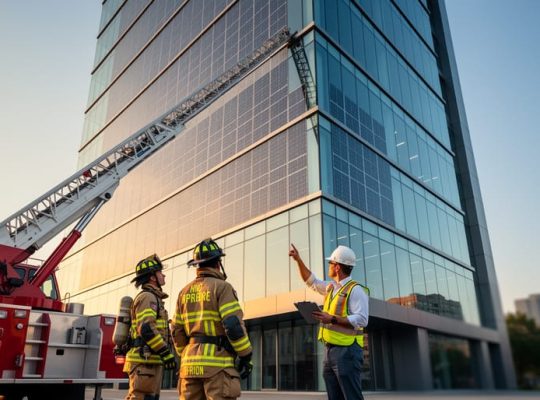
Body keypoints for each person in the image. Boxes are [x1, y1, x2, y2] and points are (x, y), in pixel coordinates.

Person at [172, 238, 253, 400]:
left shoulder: (183, 292)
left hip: (189, 367)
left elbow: (176, 330)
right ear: (218, 263)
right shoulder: (222, 287)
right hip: (217, 366)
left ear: (198, 265)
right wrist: (246, 355)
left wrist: (187, 354)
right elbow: (232, 325)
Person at [289, 243, 369, 400]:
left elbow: (362, 319)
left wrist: (331, 318)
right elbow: (311, 281)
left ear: (337, 267)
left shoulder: (356, 290)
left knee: (351, 396)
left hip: (347, 351)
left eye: (330, 263)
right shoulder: (331, 287)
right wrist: (298, 260)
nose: (329, 266)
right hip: (329, 351)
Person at [124, 254, 177, 400]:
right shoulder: (148, 297)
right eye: (160, 272)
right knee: (140, 398)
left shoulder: (154, 298)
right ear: (153, 277)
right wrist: (165, 352)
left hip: (149, 361)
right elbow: (146, 328)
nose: (163, 275)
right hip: (143, 362)